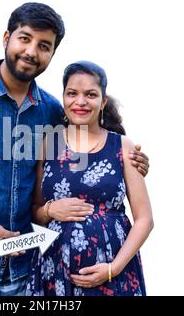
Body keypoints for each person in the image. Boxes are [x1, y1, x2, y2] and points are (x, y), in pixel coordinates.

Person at [0, 2, 149, 296]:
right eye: (24, 38)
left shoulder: (52, 111)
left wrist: (132, 164)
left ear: (52, 54)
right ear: (6, 39)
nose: (31, 52)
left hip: (27, 266)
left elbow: (85, 152)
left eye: (44, 45)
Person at [25, 61, 154, 296]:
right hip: (55, 271)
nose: (80, 101)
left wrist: (112, 269)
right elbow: (34, 210)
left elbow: (145, 219)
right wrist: (50, 210)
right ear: (63, 98)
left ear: (103, 101)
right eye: (72, 93)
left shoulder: (122, 146)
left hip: (115, 272)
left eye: (90, 94)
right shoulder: (48, 144)